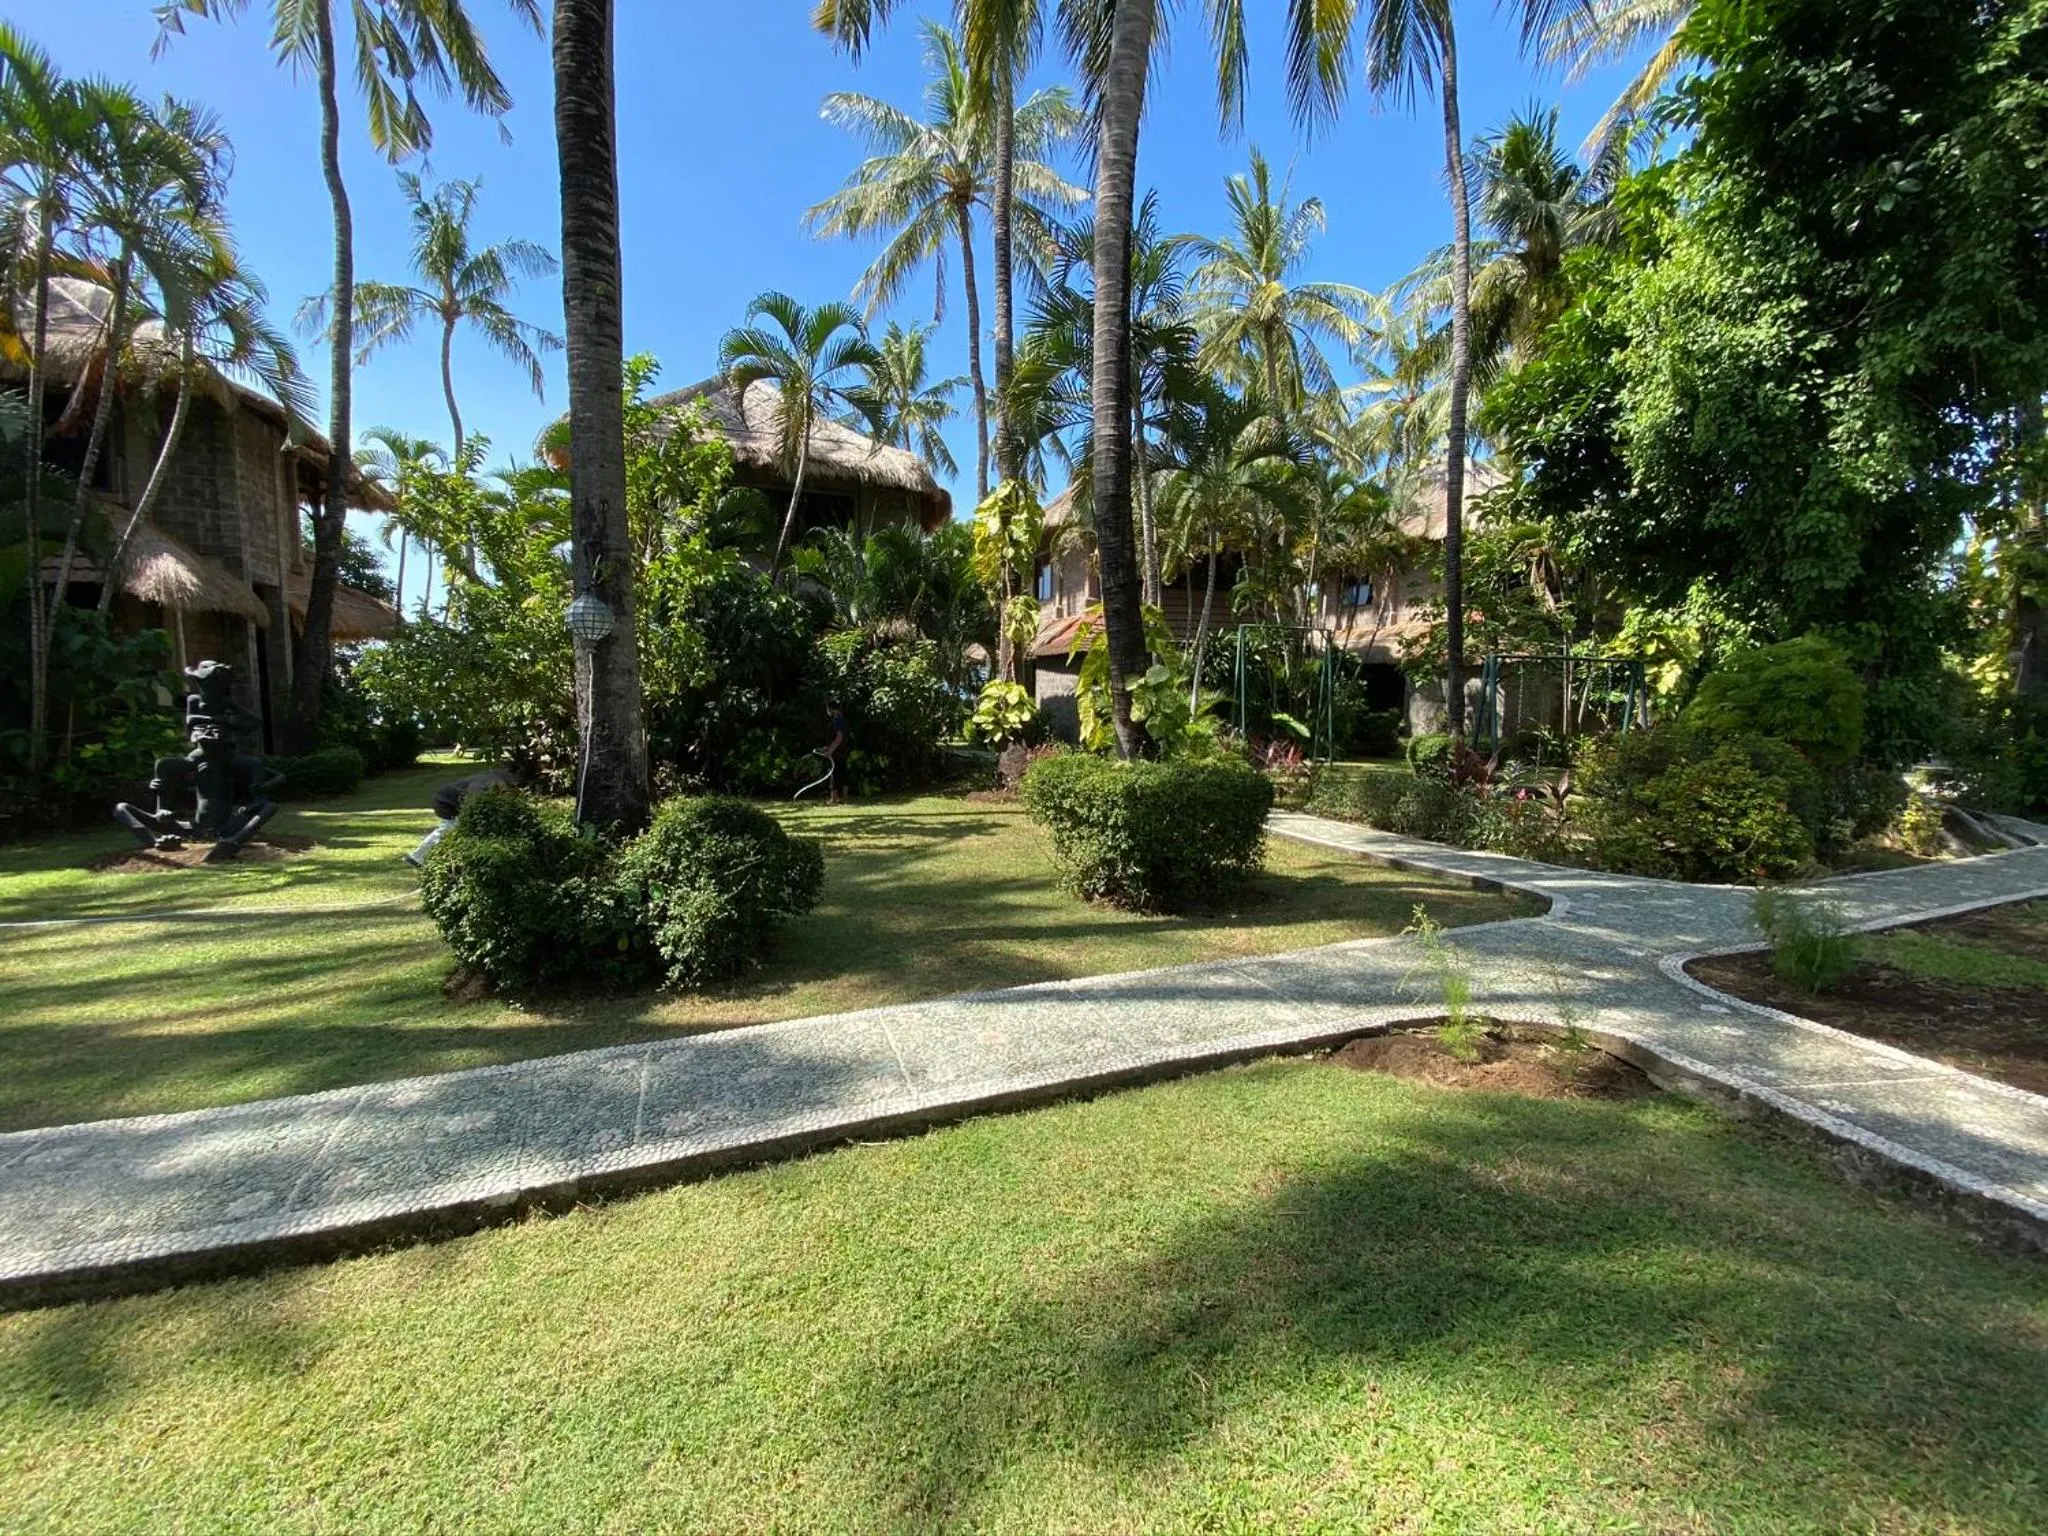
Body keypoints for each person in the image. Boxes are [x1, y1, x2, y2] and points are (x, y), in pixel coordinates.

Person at [405, 769, 515, 867]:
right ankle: (416, 858)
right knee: (449, 828)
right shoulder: (481, 786)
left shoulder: (496, 780)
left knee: (452, 829)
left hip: (455, 802)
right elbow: (472, 803)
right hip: (445, 803)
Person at [821, 699, 848, 805]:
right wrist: (826, 747)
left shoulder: (838, 719)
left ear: (830, 708)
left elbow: (838, 737)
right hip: (842, 750)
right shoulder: (842, 719)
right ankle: (844, 798)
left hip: (838, 751)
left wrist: (830, 751)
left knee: (834, 774)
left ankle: (834, 799)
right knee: (842, 773)